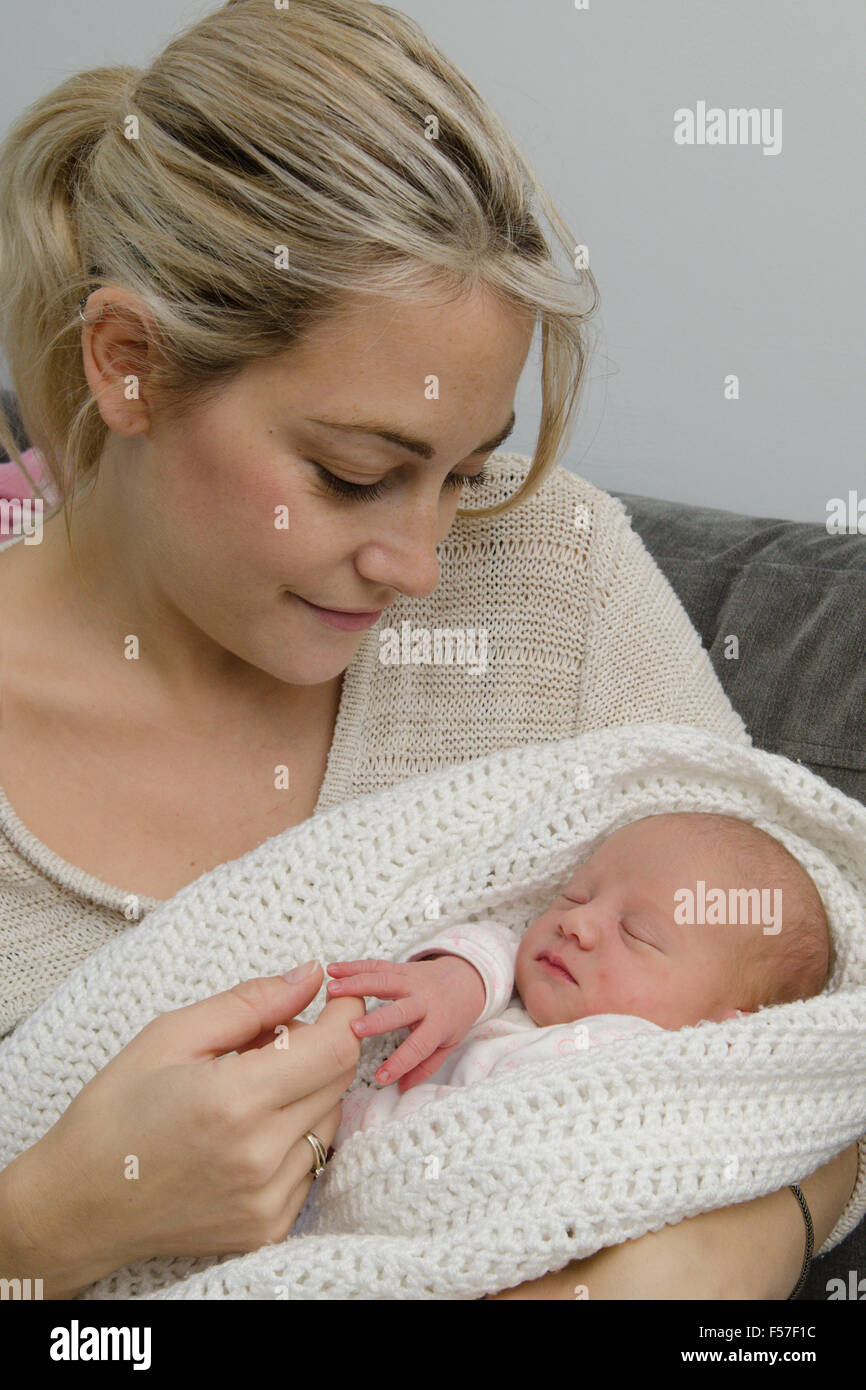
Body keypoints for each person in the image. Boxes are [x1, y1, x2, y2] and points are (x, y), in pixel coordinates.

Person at [0, 0, 858, 1300]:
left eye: (460, 473)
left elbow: (806, 1036)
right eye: (354, 475)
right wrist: (46, 1225)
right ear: (128, 364)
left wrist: (704, 1259)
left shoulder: (549, 569)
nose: (418, 564)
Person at [323, 811, 833, 1140]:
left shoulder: (652, 1081)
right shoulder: (518, 990)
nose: (576, 923)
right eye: (576, 896)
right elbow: (499, 943)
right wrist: (459, 982)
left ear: (724, 1033)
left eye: (636, 933)